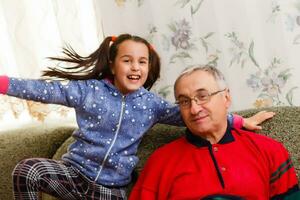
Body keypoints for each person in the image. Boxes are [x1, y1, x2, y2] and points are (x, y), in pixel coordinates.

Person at [0, 34, 273, 200]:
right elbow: (45, 90)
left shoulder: (151, 104)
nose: (135, 67)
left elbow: (193, 112)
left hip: (112, 190)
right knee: (27, 170)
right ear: (112, 64)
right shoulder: (88, 91)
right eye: (127, 60)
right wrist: (3, 84)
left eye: (142, 61)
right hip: (75, 176)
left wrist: (238, 121)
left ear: (148, 67)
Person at [129, 65, 299, 200]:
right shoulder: (160, 161)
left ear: (226, 98)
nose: (194, 109)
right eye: (184, 101)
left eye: (202, 96)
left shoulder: (270, 150)